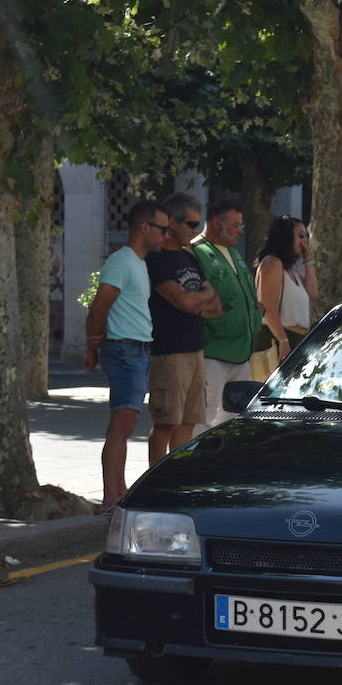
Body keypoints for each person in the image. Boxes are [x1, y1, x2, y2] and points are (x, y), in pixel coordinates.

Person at [84, 201, 169, 512]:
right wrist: (92, 345)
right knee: (122, 424)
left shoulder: (137, 262)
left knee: (123, 424)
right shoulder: (122, 261)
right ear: (145, 228)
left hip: (136, 349)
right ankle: (111, 498)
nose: (166, 235)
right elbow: (100, 305)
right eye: (162, 229)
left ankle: (117, 493)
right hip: (125, 349)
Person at [146, 193, 222, 465]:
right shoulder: (156, 260)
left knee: (188, 423)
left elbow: (214, 304)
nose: (196, 230)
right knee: (166, 423)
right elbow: (183, 301)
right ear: (173, 222)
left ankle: (175, 479)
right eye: (191, 224)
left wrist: (197, 301)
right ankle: (153, 484)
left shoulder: (189, 258)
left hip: (196, 348)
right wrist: (199, 299)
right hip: (169, 352)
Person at [189, 200, 261, 434]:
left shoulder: (233, 253)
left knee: (234, 415)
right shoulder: (195, 251)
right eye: (235, 225)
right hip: (213, 351)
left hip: (241, 350)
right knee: (204, 415)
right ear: (218, 222)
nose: (240, 230)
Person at [251, 215, 318, 382]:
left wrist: (307, 261)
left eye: (306, 236)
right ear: (286, 236)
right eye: (301, 235)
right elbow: (267, 305)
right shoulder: (272, 263)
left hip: (297, 340)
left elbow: (312, 294)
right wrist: (283, 339)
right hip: (279, 341)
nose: (304, 241)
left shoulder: (291, 270)